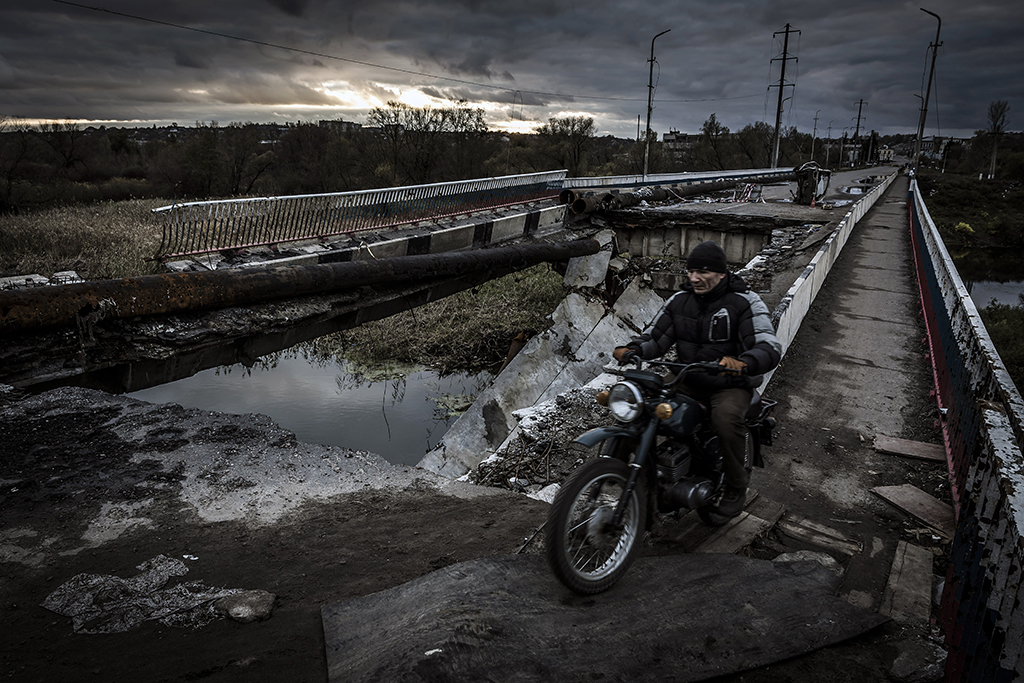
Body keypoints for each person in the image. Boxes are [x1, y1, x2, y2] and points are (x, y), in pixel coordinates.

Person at [612, 240, 782, 518]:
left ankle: (736, 486)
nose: (694, 278)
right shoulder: (679, 301)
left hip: (728, 383)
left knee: (726, 420)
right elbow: (656, 338)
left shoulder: (744, 301)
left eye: (702, 271)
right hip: (686, 379)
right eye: (691, 271)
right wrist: (634, 349)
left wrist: (743, 362)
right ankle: (621, 471)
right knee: (638, 405)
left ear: (721, 273)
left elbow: (768, 346)